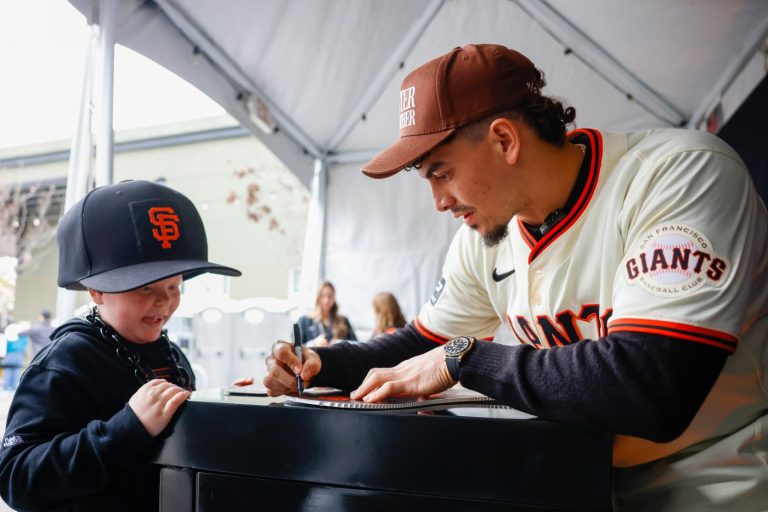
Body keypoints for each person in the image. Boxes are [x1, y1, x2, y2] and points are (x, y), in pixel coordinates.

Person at [263, 44, 768, 511]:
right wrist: (317, 364)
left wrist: (465, 358)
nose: (438, 202)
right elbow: (420, 346)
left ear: (504, 139)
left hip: (721, 482)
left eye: (441, 172)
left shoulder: (679, 173)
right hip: (580, 483)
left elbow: (651, 386)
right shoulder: (485, 236)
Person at [0, 180, 240, 511]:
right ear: (95, 291)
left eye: (174, 286)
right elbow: (16, 477)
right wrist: (126, 429)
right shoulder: (65, 362)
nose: (163, 302)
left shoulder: (170, 354)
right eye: (145, 287)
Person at [297, 281, 357, 346]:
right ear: (317, 297)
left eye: (330, 296)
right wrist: (313, 343)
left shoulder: (343, 320)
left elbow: (356, 345)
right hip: (313, 355)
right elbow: (296, 349)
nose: (326, 300)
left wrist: (341, 343)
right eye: (322, 296)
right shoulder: (304, 321)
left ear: (334, 298)